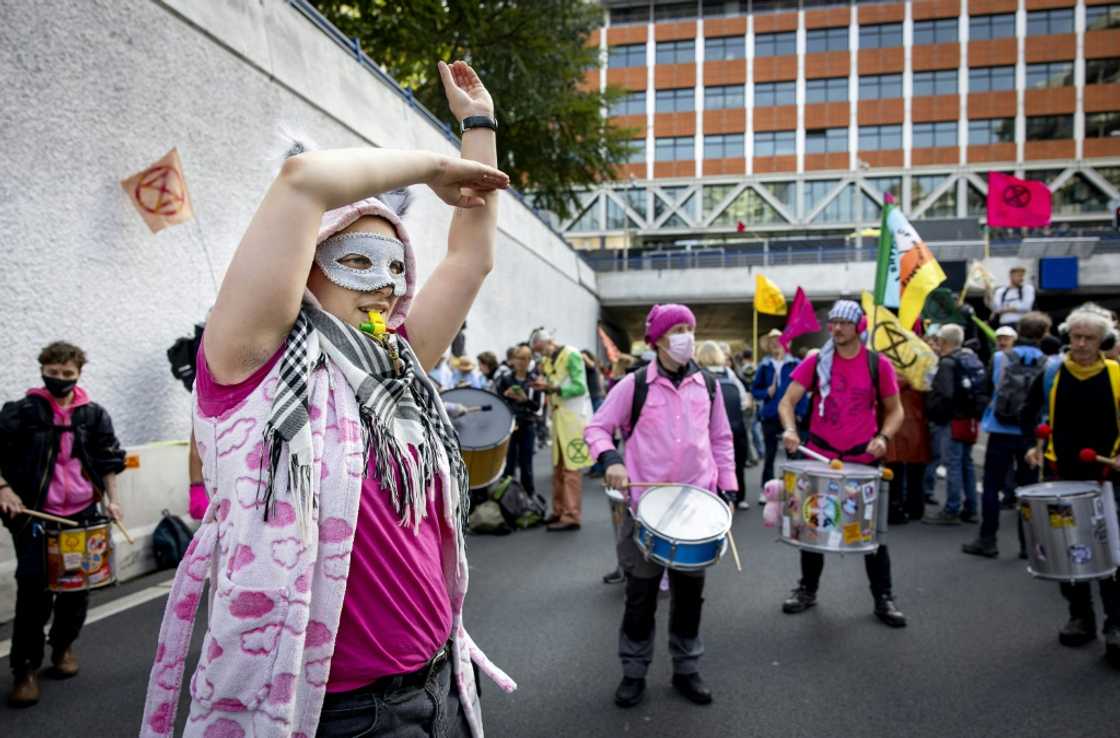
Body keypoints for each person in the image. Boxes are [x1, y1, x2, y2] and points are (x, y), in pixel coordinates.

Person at [139, 60, 516, 738]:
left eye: (396, 265)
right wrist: (430, 167)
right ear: (305, 266)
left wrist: (478, 127)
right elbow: (302, 181)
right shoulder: (249, 368)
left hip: (441, 683)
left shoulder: (397, 367)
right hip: (340, 712)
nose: (384, 284)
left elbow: (470, 258)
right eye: (357, 261)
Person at [584, 303, 737, 708]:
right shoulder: (635, 385)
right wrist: (611, 460)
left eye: (690, 327)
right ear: (657, 339)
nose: (687, 335)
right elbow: (597, 427)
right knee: (641, 596)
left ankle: (687, 669)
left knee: (690, 596)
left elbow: (721, 439)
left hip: (696, 508)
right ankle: (633, 672)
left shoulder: (709, 384)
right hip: (645, 507)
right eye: (678, 328)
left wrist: (729, 487)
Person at [1, 341, 127, 707]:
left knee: (75, 590)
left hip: (82, 517)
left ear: (79, 374)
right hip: (35, 518)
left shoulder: (94, 415)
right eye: (52, 373)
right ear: (43, 370)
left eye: (66, 374)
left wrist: (113, 500)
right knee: (34, 593)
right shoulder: (21, 412)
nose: (59, 379)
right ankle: (24, 668)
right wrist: (4, 489)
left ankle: (63, 647)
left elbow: (108, 460)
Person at [776, 300, 907, 627]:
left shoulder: (878, 365)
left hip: (863, 461)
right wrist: (791, 429)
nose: (835, 329)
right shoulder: (816, 361)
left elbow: (896, 410)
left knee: (873, 534)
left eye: (843, 323)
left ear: (858, 326)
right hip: (820, 458)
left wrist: (885, 438)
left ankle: (883, 598)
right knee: (813, 528)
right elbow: (787, 402)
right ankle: (807, 589)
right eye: (832, 322)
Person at [1021, 304, 1120, 665]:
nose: (1080, 344)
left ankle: (1116, 624)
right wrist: (1032, 447)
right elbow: (1028, 414)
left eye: (1089, 338)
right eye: (1075, 337)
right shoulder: (1052, 373)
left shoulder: (1115, 375)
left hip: (1108, 479)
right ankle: (1080, 617)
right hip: (1060, 477)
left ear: (1103, 341)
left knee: (1112, 554)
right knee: (1067, 550)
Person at [962, 311, 1050, 558]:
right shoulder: (1049, 363)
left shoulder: (1001, 357)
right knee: (1029, 490)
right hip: (1031, 435)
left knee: (991, 486)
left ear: (1019, 331)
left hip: (1000, 428)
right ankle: (1029, 545)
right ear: (1044, 334)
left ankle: (987, 540)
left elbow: (990, 390)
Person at [530, 328, 593, 531]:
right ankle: (559, 510)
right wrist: (545, 385)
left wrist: (552, 388)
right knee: (558, 467)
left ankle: (571, 514)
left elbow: (580, 386)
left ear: (549, 342)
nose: (541, 354)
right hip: (558, 417)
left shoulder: (572, 355)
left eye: (541, 349)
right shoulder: (548, 362)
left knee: (571, 468)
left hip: (573, 418)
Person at [924, 325, 985, 525]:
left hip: (952, 420)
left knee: (953, 464)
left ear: (944, 341)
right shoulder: (970, 359)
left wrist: (934, 411)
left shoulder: (948, 363)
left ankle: (951, 508)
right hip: (970, 419)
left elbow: (945, 394)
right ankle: (972, 508)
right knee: (966, 463)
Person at [751, 329, 806, 499]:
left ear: (787, 343)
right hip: (770, 416)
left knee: (793, 455)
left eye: (779, 340)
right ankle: (766, 490)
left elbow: (803, 389)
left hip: (789, 416)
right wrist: (766, 392)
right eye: (772, 341)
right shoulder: (764, 366)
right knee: (770, 455)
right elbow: (755, 391)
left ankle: (793, 491)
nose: (776, 344)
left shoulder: (795, 364)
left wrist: (799, 413)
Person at [698, 341, 751, 510]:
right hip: (736, 428)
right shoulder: (730, 374)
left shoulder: (700, 376)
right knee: (736, 464)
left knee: (711, 465)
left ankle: (714, 497)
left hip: (709, 431)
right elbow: (744, 402)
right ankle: (738, 497)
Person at [495, 345, 544, 496]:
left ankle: (529, 498)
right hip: (510, 425)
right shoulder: (505, 379)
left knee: (526, 463)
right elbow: (498, 403)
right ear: (513, 360)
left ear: (530, 360)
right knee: (508, 464)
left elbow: (538, 408)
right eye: (519, 358)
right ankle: (507, 498)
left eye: (526, 358)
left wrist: (525, 399)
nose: (522, 362)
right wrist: (506, 397)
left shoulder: (535, 381)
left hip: (527, 424)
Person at [885, 378, 931, 524]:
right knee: (916, 469)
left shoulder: (895, 376)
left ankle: (894, 508)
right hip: (917, 423)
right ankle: (915, 507)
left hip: (900, 425)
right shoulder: (922, 372)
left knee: (895, 467)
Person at [582, 349, 607, 478]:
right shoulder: (587, 370)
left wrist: (582, 357)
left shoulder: (592, 367)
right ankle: (594, 466)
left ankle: (600, 468)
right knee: (590, 437)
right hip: (592, 401)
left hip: (596, 401)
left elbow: (590, 364)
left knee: (596, 436)